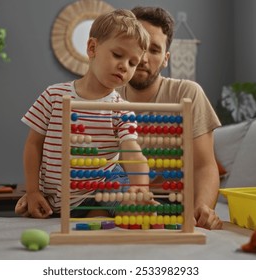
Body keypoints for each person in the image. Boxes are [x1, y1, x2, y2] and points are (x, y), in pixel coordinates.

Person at [15, 9, 151, 219]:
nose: (124, 66)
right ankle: (94, 214)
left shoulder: (122, 109)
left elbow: (132, 150)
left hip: (103, 187)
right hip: (56, 196)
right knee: (35, 210)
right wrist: (32, 191)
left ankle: (135, 206)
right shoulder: (53, 95)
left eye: (133, 63)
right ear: (92, 47)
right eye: (117, 55)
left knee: (128, 201)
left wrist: (140, 187)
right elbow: (33, 144)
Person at [117, 6, 223, 229]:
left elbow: (204, 165)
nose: (144, 58)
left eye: (154, 50)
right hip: (121, 201)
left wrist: (202, 206)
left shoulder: (187, 94)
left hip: (175, 206)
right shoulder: (106, 99)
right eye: (139, 46)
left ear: (166, 59)